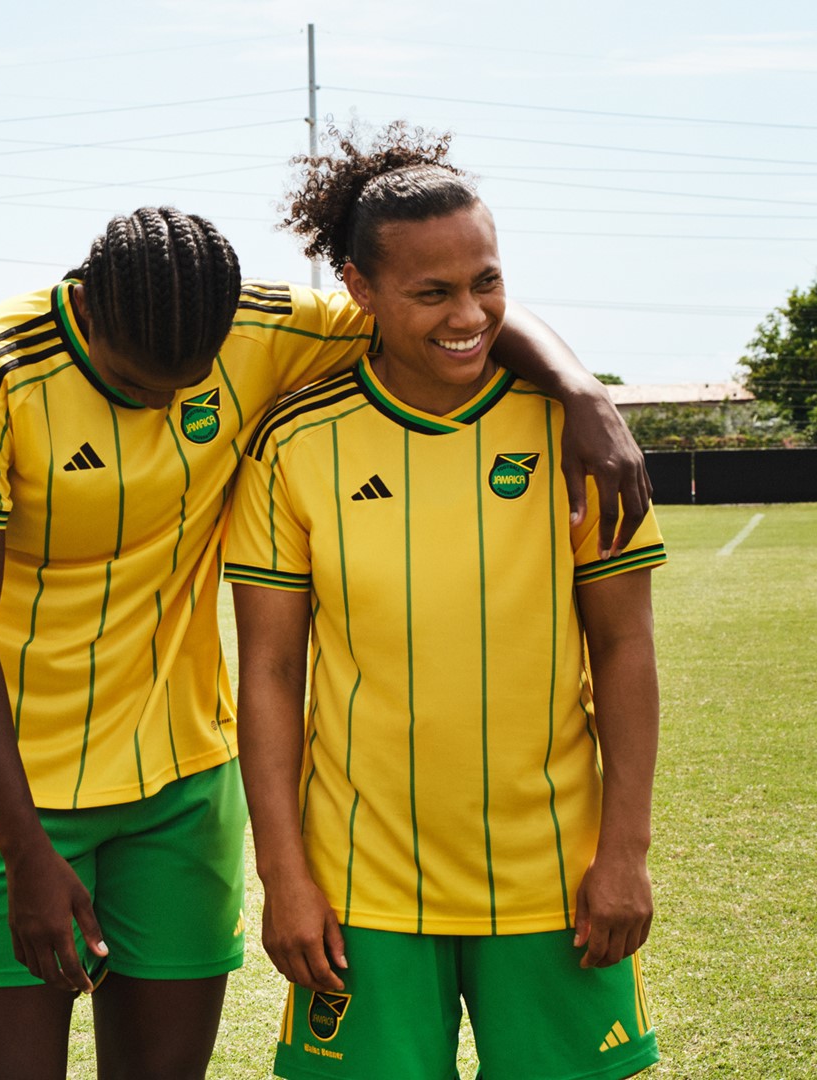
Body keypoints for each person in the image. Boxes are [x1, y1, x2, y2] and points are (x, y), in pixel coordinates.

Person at [0, 205, 652, 1079]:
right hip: (13, 797)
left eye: (191, 381)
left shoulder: (256, 326)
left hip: (183, 788)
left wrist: (581, 389)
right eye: (143, 380)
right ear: (91, 313)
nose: (168, 400)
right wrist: (24, 850)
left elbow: (449, 308)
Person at [226, 122, 666, 1080]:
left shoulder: (578, 437)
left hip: (556, 877)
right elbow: (266, 674)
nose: (469, 314)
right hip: (361, 888)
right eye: (432, 293)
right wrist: (284, 876)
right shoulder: (294, 444)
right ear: (359, 291)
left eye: (487, 282)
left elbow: (626, 648)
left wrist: (624, 852)